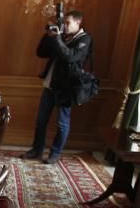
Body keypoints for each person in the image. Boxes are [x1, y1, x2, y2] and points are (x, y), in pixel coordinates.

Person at [22, 10, 93, 164]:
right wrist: (48, 35)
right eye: (64, 23)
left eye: (68, 23)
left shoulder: (84, 39)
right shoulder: (61, 37)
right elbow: (41, 52)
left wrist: (58, 39)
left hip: (66, 88)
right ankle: (37, 149)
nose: (65, 26)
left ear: (78, 23)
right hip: (50, 86)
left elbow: (70, 56)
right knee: (41, 121)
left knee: (62, 123)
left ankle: (55, 153)